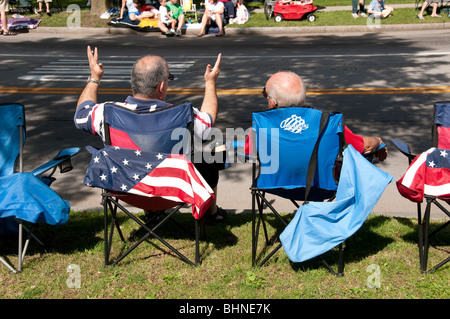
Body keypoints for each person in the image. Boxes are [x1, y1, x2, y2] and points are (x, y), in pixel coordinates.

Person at [74, 46, 226, 222]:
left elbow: (81, 116)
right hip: (171, 191)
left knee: (142, 155)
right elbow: (208, 122)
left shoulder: (106, 112)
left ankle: (151, 215)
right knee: (212, 157)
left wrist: (94, 78)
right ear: (161, 87)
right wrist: (210, 82)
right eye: (169, 79)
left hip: (126, 189)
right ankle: (212, 214)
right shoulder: (183, 115)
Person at [244, 71, 388, 161]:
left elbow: (246, 151)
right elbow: (362, 146)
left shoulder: (261, 125)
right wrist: (378, 141)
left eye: (266, 95)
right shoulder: (328, 123)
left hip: (274, 185)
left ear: (273, 102)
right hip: (321, 187)